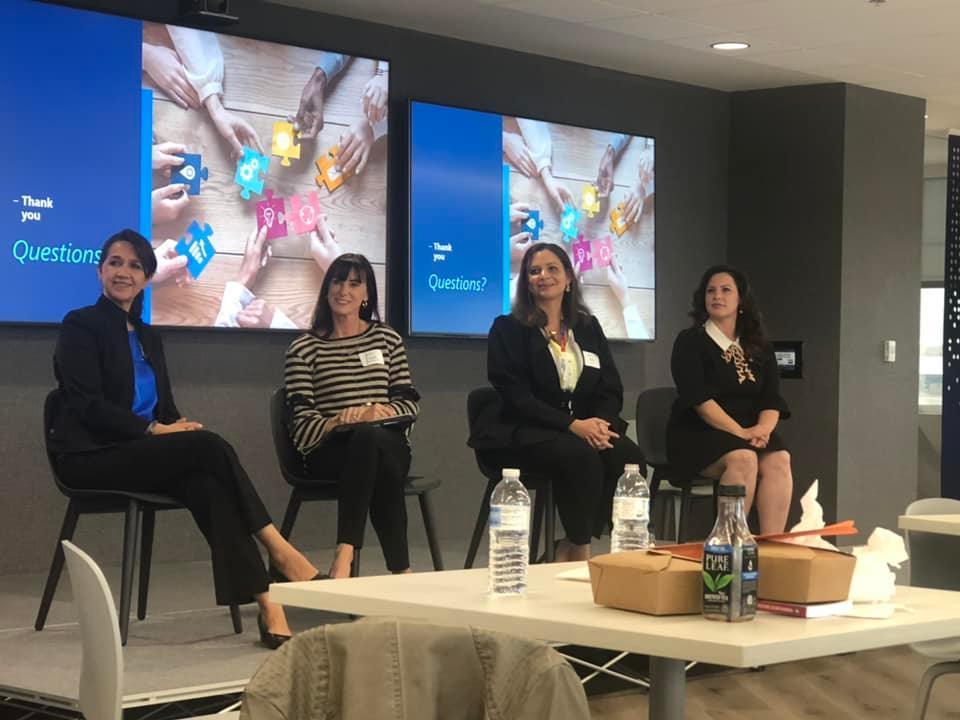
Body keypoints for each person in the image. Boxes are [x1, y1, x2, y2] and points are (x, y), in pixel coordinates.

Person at [50, 229, 320, 649]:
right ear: (100, 270)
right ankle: (280, 551)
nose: (124, 272)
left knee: (207, 481)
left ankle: (270, 604)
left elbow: (165, 409)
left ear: (147, 277)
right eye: (116, 263)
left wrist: (176, 424)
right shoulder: (80, 325)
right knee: (209, 447)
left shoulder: (148, 337)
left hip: (140, 453)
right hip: (92, 455)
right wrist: (155, 430)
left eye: (135, 265)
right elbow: (87, 406)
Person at [469, 242, 646, 562]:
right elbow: (515, 394)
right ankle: (581, 551)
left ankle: (572, 542)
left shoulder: (588, 327)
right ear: (526, 282)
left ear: (569, 278)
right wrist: (572, 425)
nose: (543, 276)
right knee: (580, 456)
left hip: (585, 427)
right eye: (534, 271)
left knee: (628, 456)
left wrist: (601, 423)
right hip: (528, 429)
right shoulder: (508, 328)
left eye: (552, 269)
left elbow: (610, 386)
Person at [284, 253, 419, 579]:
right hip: (331, 451)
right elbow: (300, 424)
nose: (343, 290)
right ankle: (401, 571)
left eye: (354, 284)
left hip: (387, 441)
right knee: (369, 446)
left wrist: (379, 413)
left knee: (373, 439)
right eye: (337, 281)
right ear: (326, 288)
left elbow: (410, 406)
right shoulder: (303, 349)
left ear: (367, 294)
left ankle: (344, 555)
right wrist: (339, 420)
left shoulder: (387, 339)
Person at [667, 265, 793, 534]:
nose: (717, 296)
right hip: (699, 430)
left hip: (749, 429)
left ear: (740, 300)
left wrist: (762, 430)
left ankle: (774, 546)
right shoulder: (690, 341)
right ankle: (729, 546)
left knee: (779, 459)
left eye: (726, 290)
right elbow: (699, 399)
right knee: (744, 458)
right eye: (711, 291)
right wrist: (741, 433)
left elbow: (772, 398)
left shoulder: (759, 345)